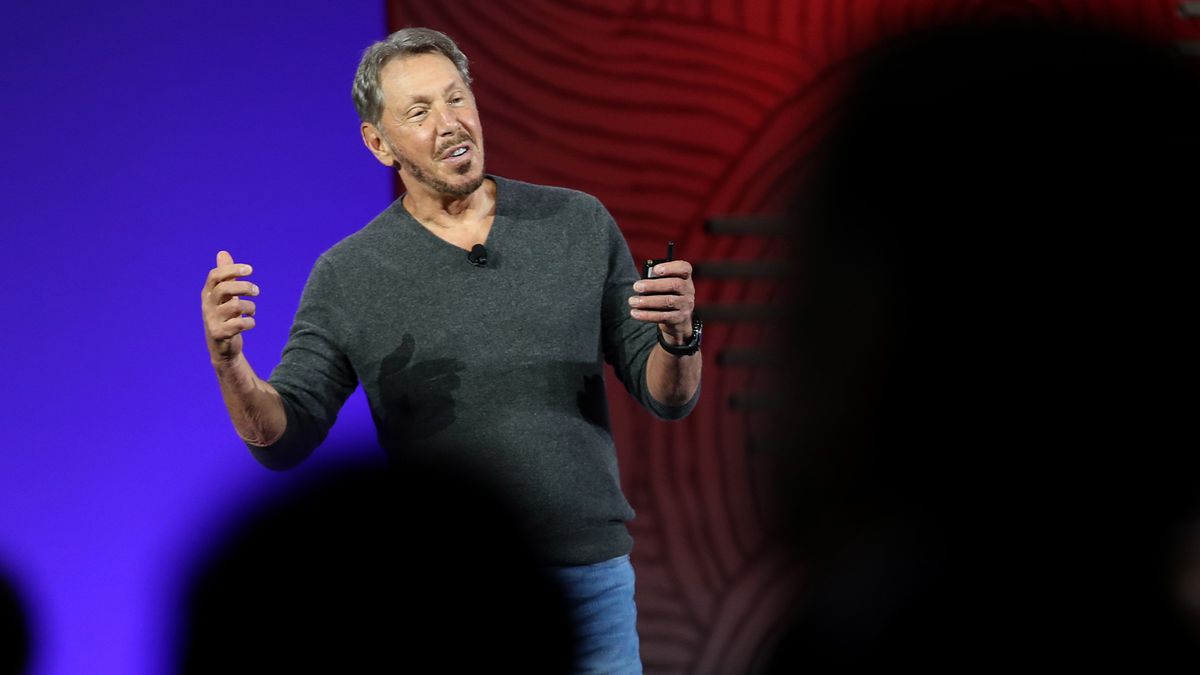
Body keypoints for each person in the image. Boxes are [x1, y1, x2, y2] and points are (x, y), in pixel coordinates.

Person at [199, 27, 701, 673]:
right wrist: (229, 362)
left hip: (590, 586)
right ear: (378, 144)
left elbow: (667, 395)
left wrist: (678, 337)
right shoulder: (349, 274)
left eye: (457, 98)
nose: (450, 122)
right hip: (445, 600)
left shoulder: (578, 223)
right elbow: (282, 436)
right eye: (419, 111)